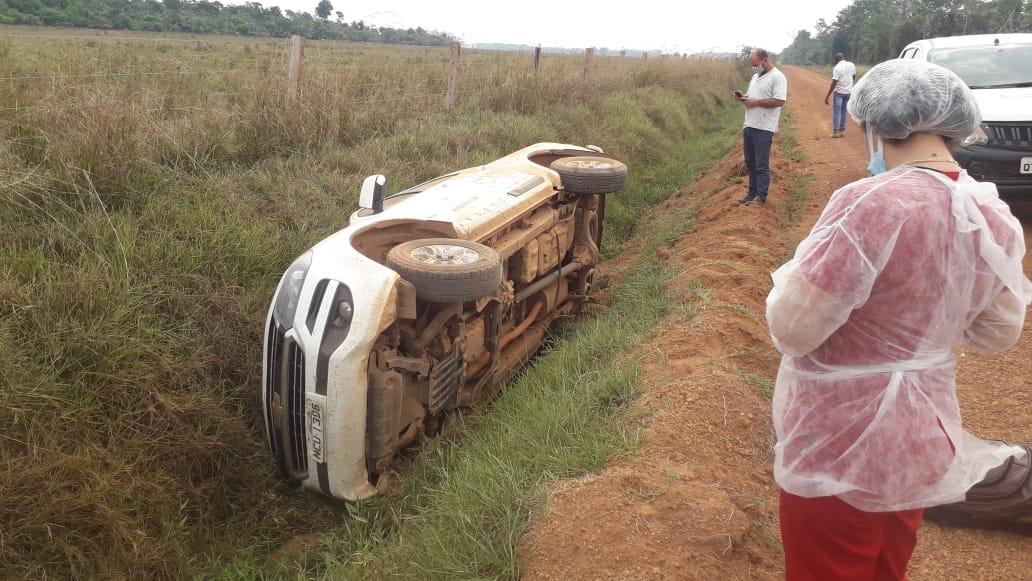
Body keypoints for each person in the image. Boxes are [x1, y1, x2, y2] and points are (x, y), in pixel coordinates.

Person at [765, 59, 1031, 580]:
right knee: (888, 566)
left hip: (839, 440)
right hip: (919, 436)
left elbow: (794, 329)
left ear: (879, 126)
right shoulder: (989, 211)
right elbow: (999, 332)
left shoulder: (869, 203)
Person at [737, 48, 788, 206]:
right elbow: (751, 97)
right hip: (749, 124)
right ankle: (751, 193)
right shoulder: (755, 77)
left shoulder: (778, 77)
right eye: (752, 65)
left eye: (756, 64)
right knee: (750, 162)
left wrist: (756, 103)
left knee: (761, 164)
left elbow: (780, 100)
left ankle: (761, 195)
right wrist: (743, 98)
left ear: (764, 60)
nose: (754, 68)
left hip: (764, 127)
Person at [825, 53, 856, 138]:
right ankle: (842, 131)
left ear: (836, 59)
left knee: (837, 111)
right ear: (843, 58)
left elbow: (834, 82)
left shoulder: (836, 68)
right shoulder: (852, 65)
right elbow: (853, 77)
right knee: (844, 111)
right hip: (848, 92)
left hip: (838, 92)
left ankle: (835, 132)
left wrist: (827, 96)